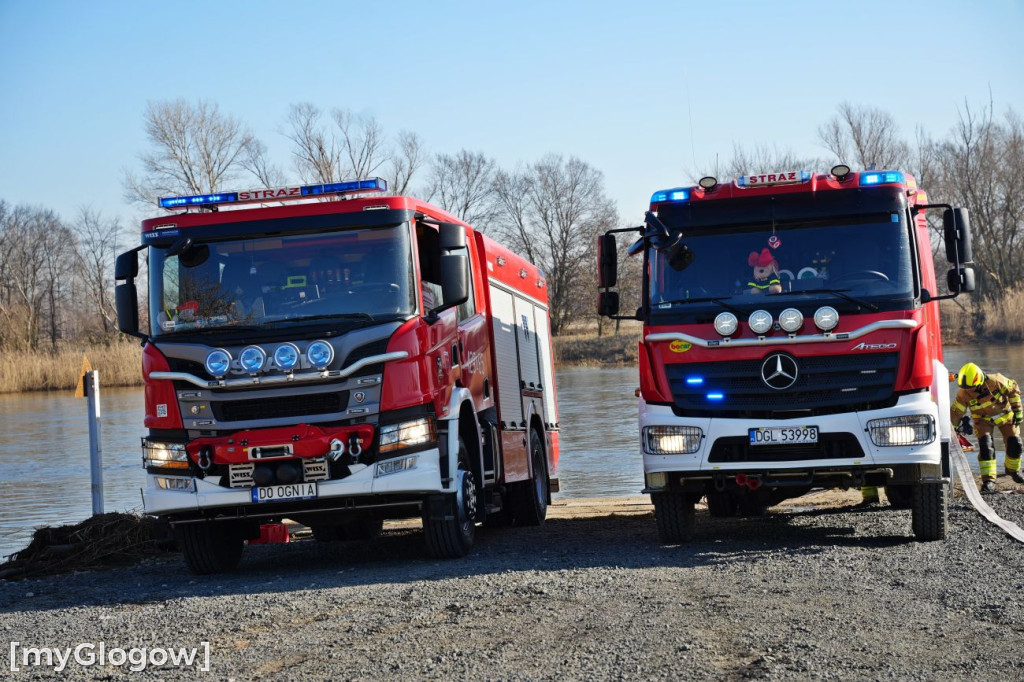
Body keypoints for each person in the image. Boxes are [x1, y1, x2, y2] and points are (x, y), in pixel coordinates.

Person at [951, 362, 1024, 493]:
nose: (969, 390)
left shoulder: (996, 381)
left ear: (979, 381)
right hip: (983, 421)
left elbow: (1013, 390)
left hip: (1006, 417)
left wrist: (1018, 411)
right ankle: (988, 481)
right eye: (966, 388)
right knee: (986, 447)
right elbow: (956, 413)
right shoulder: (963, 394)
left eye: (971, 387)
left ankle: (1013, 471)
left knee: (1015, 444)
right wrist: (951, 429)